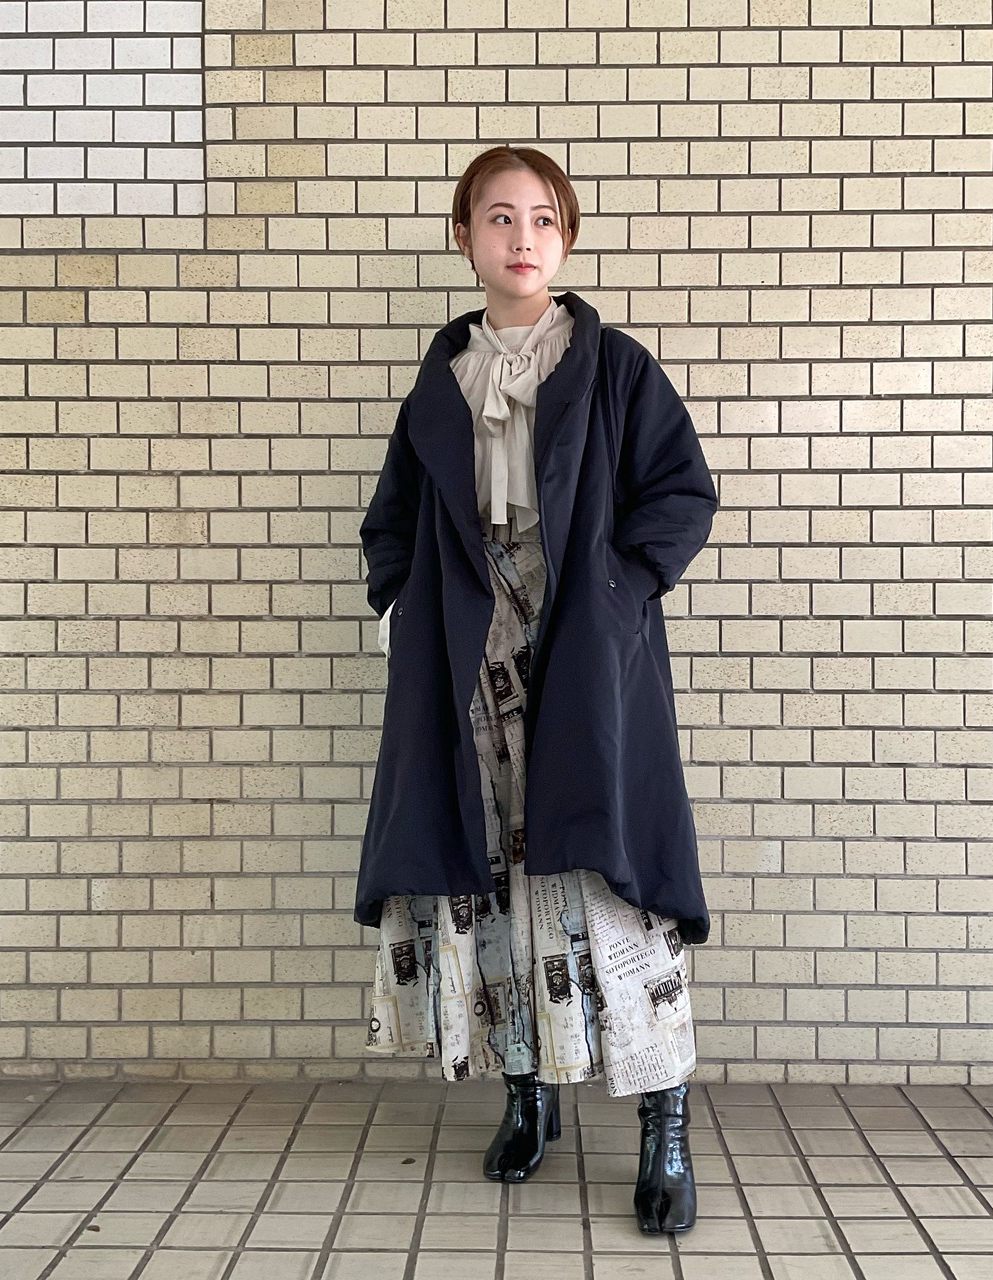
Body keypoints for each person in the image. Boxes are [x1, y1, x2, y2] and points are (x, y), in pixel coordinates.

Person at [354, 144, 718, 1235]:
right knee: (489, 877)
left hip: (582, 651)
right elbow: (392, 521)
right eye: (500, 217)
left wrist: (616, 594)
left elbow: (680, 491)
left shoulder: (615, 368)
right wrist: (401, 607)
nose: (523, 238)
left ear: (566, 238)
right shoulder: (441, 379)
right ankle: (527, 1091)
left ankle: (662, 1118)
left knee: (611, 875)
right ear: (463, 236)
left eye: (544, 218)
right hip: (465, 653)